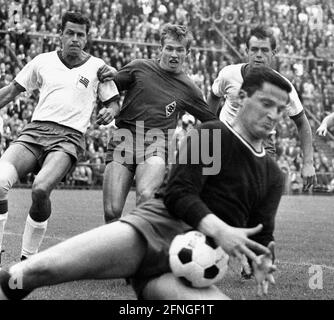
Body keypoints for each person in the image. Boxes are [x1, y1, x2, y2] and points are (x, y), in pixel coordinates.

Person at [0, 66, 288, 300]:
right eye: (266, 103)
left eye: (280, 108)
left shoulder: (273, 176)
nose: (273, 115)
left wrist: (263, 258)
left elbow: (262, 234)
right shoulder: (212, 135)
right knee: (28, 274)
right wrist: (219, 228)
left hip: (183, 267)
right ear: (241, 97)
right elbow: (179, 194)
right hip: (151, 228)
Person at [0, 11, 119, 265]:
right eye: (70, 33)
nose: (75, 39)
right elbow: (11, 92)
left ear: (87, 39)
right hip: (34, 131)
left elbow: (113, 103)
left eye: (80, 35)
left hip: (68, 138)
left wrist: (111, 111)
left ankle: (26, 260)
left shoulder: (98, 67)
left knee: (41, 189)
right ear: (60, 35)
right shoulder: (42, 60)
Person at [99, 24, 217, 223]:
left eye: (179, 50)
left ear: (187, 52)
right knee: (112, 211)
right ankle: (116, 250)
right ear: (160, 48)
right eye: (169, 48)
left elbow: (211, 121)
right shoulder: (139, 67)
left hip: (156, 142)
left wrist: (198, 149)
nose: (173, 54)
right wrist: (111, 107)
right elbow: (108, 84)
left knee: (146, 197)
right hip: (124, 137)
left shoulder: (190, 89)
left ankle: (142, 250)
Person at [207, 25, 316, 191]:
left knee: (257, 197)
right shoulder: (229, 74)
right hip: (226, 138)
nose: (259, 55)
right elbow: (214, 96)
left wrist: (308, 163)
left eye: (264, 50)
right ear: (247, 51)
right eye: (254, 49)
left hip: (261, 143)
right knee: (216, 192)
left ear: (273, 53)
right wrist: (208, 129)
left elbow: (302, 122)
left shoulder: (283, 87)